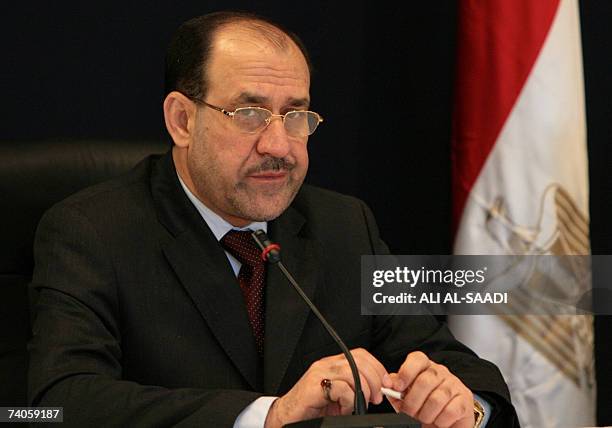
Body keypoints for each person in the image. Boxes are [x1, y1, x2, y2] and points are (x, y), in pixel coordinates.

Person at [28, 11, 517, 427]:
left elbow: (452, 363)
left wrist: (464, 407)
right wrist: (270, 415)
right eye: (249, 114)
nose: (279, 146)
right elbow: (55, 406)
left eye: (296, 115)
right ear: (182, 120)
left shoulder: (344, 226)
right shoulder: (91, 231)